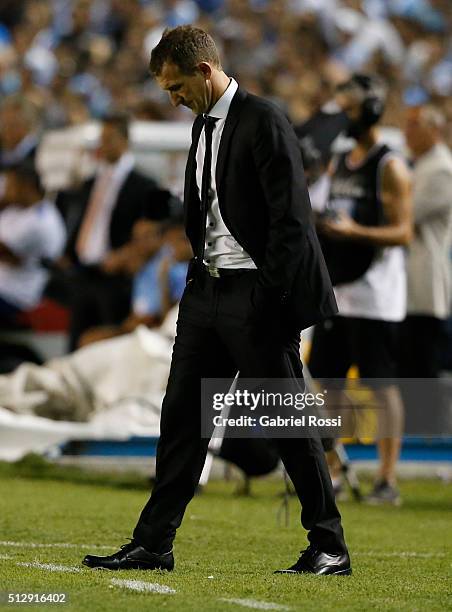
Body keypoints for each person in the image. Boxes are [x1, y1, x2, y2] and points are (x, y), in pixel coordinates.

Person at [83, 25, 351, 576]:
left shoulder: (263, 118)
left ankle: (330, 545)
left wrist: (269, 299)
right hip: (206, 292)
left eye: (177, 86)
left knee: (288, 425)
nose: (173, 98)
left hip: (255, 294)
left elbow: (292, 222)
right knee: (181, 417)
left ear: (205, 71)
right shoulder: (202, 124)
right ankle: (154, 543)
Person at [310, 74, 413, 505]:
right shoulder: (339, 161)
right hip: (340, 289)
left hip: (376, 295)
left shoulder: (389, 165)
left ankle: (387, 478)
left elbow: (404, 232)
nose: (342, 118)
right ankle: (333, 470)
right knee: (326, 383)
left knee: (380, 386)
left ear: (369, 111)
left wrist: (355, 231)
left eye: (349, 109)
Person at [50, 112, 174, 350]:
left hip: (118, 278)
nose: (103, 145)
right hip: (84, 272)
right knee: (77, 341)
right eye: (101, 139)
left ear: (124, 141)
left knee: (108, 345)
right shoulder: (90, 183)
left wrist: (126, 255)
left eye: (109, 139)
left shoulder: (145, 185)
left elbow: (157, 231)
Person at [78, 216, 191, 347]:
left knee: (92, 340)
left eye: (146, 237)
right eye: (136, 238)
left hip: (152, 331)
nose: (140, 242)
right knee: (88, 337)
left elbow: (167, 318)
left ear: (161, 238)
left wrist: (163, 281)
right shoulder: (142, 265)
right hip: (133, 326)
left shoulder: (173, 267)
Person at [400, 105, 452, 379]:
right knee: (407, 368)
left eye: (414, 124)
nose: (406, 132)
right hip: (408, 282)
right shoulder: (418, 163)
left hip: (425, 283)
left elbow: (405, 215)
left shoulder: (442, 169)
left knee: (422, 368)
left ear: (434, 129)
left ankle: (430, 423)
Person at [0, 162, 66, 323]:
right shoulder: (16, 208)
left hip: (14, 295)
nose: (5, 190)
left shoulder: (41, 223)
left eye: (9, 185)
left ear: (25, 187)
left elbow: (5, 253)